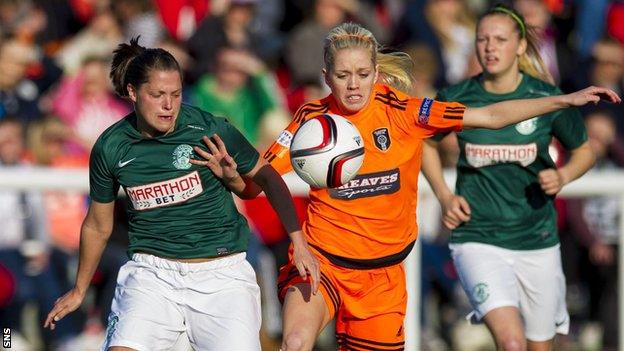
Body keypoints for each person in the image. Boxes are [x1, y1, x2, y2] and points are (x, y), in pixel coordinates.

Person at [259, 22, 619, 351]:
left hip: (381, 279)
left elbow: (489, 116)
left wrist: (563, 100)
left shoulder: (405, 112)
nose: (353, 84)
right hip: (321, 264)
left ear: (377, 74)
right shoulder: (311, 121)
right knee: (295, 341)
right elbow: (260, 177)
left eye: (362, 74)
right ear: (326, 76)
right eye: (342, 75)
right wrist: (289, 232)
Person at [43, 37, 319, 351]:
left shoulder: (208, 128)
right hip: (152, 275)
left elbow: (267, 178)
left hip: (222, 276)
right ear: (133, 93)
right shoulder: (111, 145)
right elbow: (97, 225)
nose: (169, 105)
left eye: (175, 94)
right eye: (157, 94)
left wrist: (299, 243)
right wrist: (79, 289)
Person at [420, 5, 600, 351]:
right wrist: (444, 195)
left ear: (520, 46)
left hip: (537, 238)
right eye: (482, 39)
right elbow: (425, 143)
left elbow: (585, 151)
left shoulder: (546, 97)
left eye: (500, 39)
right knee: (512, 342)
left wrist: (563, 175)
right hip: (479, 236)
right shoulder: (457, 97)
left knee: (539, 346)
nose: (489, 47)